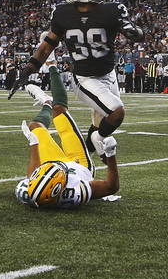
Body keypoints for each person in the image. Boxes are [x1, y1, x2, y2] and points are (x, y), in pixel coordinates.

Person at [10, 0, 143, 154]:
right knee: (116, 113)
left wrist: (133, 31)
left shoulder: (111, 11)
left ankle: (85, 153)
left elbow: (138, 35)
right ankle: (97, 140)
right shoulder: (63, 13)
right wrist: (28, 69)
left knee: (100, 122)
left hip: (108, 74)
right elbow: (48, 44)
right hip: (85, 78)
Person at [15, 65, 119, 209]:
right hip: (79, 164)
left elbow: (32, 173)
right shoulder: (74, 193)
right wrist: (111, 154)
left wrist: (33, 143)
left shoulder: (28, 190)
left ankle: (46, 102)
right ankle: (52, 65)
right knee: (59, 110)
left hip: (51, 161)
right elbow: (111, 188)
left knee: (35, 126)